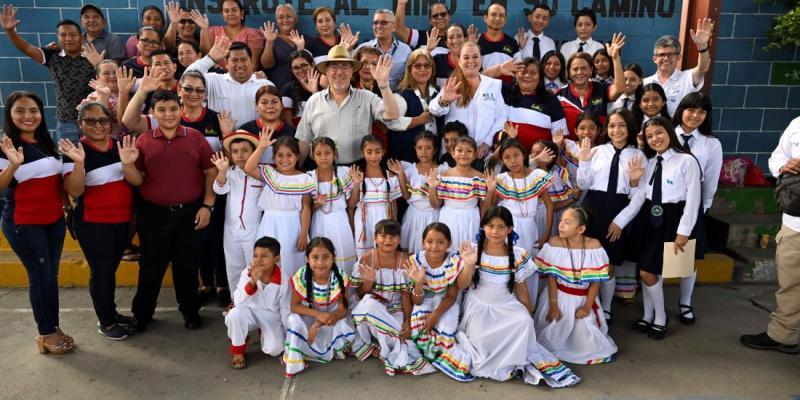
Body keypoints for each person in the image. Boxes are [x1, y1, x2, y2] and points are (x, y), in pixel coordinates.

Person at [437, 206, 581, 387]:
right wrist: (469, 264)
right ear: (483, 227)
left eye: (501, 227)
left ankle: (513, 361)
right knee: (482, 339)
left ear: (510, 229)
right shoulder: (473, 251)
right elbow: (462, 285)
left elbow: (521, 287)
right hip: (479, 305)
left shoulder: (517, 253)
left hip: (506, 303)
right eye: (490, 226)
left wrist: (528, 311)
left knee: (523, 322)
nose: (495, 231)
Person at [118, 90, 216, 332]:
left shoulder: (195, 137)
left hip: (190, 213)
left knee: (187, 266)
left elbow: (210, 172)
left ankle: (190, 311)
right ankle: (142, 314)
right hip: (153, 215)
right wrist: (128, 164)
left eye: (173, 109)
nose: (168, 114)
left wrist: (207, 206)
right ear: (152, 113)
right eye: (161, 110)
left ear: (180, 109)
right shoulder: (144, 141)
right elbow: (137, 180)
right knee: (151, 266)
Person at [613, 117, 701, 340]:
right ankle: (648, 314)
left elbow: (693, 199)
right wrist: (620, 221)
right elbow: (640, 197)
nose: (655, 139)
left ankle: (660, 317)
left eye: (659, 133)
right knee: (647, 270)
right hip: (649, 219)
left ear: (669, 131)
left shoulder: (686, 161)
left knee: (649, 271)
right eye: (650, 136)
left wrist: (684, 231)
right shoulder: (651, 163)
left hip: (672, 220)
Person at [0, 92, 74, 354]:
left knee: (50, 276)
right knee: (40, 276)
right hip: (24, 223)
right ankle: (45, 332)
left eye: (33, 110)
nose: (28, 116)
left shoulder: (45, 142)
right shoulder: (6, 146)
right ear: (10, 114)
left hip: (53, 220)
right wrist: (12, 165)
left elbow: (56, 182)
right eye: (20, 111)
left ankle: (53, 326)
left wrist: (67, 208)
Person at [61, 102, 135, 340]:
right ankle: (106, 322)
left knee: (110, 270)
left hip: (121, 221)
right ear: (80, 124)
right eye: (90, 121)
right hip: (93, 224)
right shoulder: (74, 151)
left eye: (103, 120)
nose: (98, 125)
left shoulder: (120, 146)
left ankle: (111, 313)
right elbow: (75, 190)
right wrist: (79, 163)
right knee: (101, 272)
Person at [576, 108, 644, 322]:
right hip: (592, 209)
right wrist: (584, 161)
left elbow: (637, 197)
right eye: (612, 125)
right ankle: (584, 303)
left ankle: (606, 308)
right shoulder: (597, 151)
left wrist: (620, 221)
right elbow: (583, 184)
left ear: (630, 128)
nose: (616, 130)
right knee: (586, 258)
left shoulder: (638, 155)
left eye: (622, 125)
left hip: (618, 210)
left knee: (609, 263)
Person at [740, 116, 800, 355]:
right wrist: (783, 168)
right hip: (794, 224)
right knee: (790, 284)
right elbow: (777, 157)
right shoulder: (797, 124)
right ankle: (782, 336)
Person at [350, 219, 435, 375]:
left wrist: (407, 321)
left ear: (399, 239)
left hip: (396, 308)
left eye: (393, 236)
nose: (388, 240)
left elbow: (406, 296)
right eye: (383, 236)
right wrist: (368, 282)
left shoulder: (406, 260)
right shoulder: (367, 258)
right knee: (368, 306)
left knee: (400, 325)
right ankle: (400, 339)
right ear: (375, 238)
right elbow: (359, 295)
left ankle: (391, 340)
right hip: (372, 307)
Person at [534, 206, 618, 364]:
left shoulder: (594, 246)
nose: (561, 225)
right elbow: (552, 278)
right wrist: (554, 306)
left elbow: (595, 281)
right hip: (558, 297)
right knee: (552, 338)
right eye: (561, 221)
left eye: (567, 222)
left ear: (581, 229)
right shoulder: (555, 243)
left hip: (583, 299)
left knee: (588, 344)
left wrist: (587, 307)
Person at [1, 9, 99, 142]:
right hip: (66, 123)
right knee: (68, 156)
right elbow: (27, 48)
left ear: (81, 38)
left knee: (94, 155)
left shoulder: (93, 56)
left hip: (93, 120)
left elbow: (107, 80)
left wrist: (98, 64)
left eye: (72, 35)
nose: (68, 39)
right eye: (63, 35)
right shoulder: (52, 56)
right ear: (58, 37)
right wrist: (10, 31)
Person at [295, 44, 400, 165]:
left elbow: (392, 115)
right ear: (326, 72)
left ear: (351, 71)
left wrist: (383, 84)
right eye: (334, 66)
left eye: (344, 66)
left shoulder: (367, 97)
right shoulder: (314, 101)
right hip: (324, 169)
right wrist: (299, 168)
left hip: (357, 169)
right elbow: (304, 141)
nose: (339, 72)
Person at [672, 92, 722, 325]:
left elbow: (710, 180)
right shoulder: (666, 134)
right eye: (691, 110)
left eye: (701, 112)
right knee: (658, 253)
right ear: (681, 110)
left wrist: (702, 209)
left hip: (693, 205)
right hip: (664, 203)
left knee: (687, 256)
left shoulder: (711, 143)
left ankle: (685, 302)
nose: (695, 115)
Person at [405, 224, 476, 378]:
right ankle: (434, 354)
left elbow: (451, 296)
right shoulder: (416, 261)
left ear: (449, 243)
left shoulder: (453, 261)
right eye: (429, 241)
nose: (434, 246)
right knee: (419, 323)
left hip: (447, 301)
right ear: (423, 242)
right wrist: (418, 283)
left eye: (440, 242)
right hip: (424, 298)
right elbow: (417, 302)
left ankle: (444, 357)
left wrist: (435, 315)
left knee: (446, 326)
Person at [243, 133, 313, 280]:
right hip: (269, 223)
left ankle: (290, 293)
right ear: (274, 158)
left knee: (290, 260)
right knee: (267, 259)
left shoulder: (305, 178)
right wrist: (262, 147)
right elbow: (249, 167)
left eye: (289, 155)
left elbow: (306, 208)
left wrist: (303, 234)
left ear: (297, 157)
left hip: (293, 225)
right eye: (280, 155)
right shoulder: (270, 174)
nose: (284, 159)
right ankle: (267, 292)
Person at [493, 138, 554, 304]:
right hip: (508, 228)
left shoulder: (536, 176)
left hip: (529, 227)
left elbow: (549, 205)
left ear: (524, 155)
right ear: (502, 161)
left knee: (528, 264)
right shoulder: (502, 179)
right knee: (509, 264)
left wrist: (546, 233)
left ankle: (528, 304)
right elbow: (492, 207)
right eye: (507, 157)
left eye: (516, 155)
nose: (512, 160)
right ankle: (507, 303)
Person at [283, 237, 355, 377]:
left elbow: (342, 310)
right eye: (315, 257)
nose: (320, 263)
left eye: (326, 257)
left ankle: (318, 349)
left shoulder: (339, 276)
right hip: (312, 316)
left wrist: (319, 323)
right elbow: (294, 306)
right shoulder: (302, 275)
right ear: (308, 259)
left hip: (333, 318)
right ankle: (294, 361)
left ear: (333, 258)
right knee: (293, 319)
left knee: (342, 327)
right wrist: (317, 316)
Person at [429, 42, 506, 160]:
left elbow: (501, 117)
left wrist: (487, 143)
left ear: (481, 59)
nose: (471, 61)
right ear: (459, 61)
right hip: (456, 155)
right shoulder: (452, 84)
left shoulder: (493, 85)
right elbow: (433, 109)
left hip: (483, 155)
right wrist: (444, 100)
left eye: (475, 57)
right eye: (466, 57)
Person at [225, 236, 290, 369]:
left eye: (264, 256)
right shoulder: (247, 273)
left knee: (275, 350)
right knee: (234, 314)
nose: (258, 260)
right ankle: (238, 351)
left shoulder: (284, 280)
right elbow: (238, 302)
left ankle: (264, 333)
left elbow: (285, 311)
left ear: (277, 259)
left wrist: (288, 340)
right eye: (255, 255)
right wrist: (252, 282)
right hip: (249, 312)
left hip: (270, 316)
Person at [212, 130, 263, 296]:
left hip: (254, 229)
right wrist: (221, 171)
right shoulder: (229, 172)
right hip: (231, 229)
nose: (240, 155)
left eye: (244, 150)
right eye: (235, 151)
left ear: (254, 151)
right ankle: (236, 300)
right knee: (233, 266)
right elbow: (219, 189)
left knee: (254, 266)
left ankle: (255, 302)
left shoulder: (262, 172)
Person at [186, 35, 274, 130]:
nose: (239, 64)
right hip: (220, 137)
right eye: (234, 60)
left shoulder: (265, 85)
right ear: (226, 63)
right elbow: (187, 79)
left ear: (251, 61)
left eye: (244, 59)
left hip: (258, 137)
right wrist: (211, 58)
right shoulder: (214, 81)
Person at [426, 136, 490, 251]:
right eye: (459, 150)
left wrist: (490, 190)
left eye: (469, 151)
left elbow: (484, 208)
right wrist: (432, 187)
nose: (463, 154)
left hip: (470, 218)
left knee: (468, 251)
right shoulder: (444, 176)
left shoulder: (479, 177)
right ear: (453, 153)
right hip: (448, 217)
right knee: (448, 250)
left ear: (475, 154)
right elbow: (436, 205)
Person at [308, 137, 360, 274]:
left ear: (334, 154)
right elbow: (307, 210)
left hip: (340, 222)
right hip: (319, 222)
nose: (323, 157)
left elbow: (351, 204)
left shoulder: (343, 173)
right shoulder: (309, 177)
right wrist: (317, 204)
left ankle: (343, 285)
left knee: (342, 254)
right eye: (318, 154)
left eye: (327, 153)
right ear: (312, 156)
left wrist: (356, 184)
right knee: (321, 256)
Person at [558, 34, 626, 137]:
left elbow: (620, 89)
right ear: (569, 72)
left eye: (584, 68)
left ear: (591, 70)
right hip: (570, 146)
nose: (579, 72)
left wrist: (615, 58)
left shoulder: (601, 88)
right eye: (575, 69)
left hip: (598, 145)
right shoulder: (560, 94)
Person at [643, 18, 714, 116]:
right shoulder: (645, 83)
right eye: (662, 55)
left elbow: (703, 68)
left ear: (678, 57)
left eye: (671, 54)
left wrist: (702, 46)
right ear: (654, 59)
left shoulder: (687, 78)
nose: (666, 58)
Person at [352, 136, 402, 257]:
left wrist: (394, 225)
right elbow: (351, 204)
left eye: (377, 151)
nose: (373, 156)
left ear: (383, 152)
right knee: (364, 254)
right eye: (369, 152)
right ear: (362, 153)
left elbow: (394, 203)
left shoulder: (390, 175)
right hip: (364, 220)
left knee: (384, 251)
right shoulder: (358, 174)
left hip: (384, 217)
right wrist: (356, 183)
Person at [387, 49, 439, 162]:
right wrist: (419, 120)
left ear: (433, 69)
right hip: (406, 158)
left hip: (434, 159)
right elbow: (391, 123)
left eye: (427, 65)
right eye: (417, 66)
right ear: (410, 69)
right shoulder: (401, 94)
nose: (422, 70)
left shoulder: (438, 93)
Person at [504, 57, 567, 150]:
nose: (527, 75)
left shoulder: (551, 100)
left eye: (533, 73)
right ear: (516, 75)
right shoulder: (504, 92)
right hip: (510, 155)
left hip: (543, 156)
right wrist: (499, 69)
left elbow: (561, 136)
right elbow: (481, 79)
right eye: (523, 72)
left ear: (540, 77)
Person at [397, 132, 440, 254]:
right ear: (415, 149)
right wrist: (400, 174)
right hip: (413, 215)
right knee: (411, 251)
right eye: (419, 148)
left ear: (435, 149)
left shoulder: (441, 171)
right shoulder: (410, 170)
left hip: (432, 216)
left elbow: (436, 205)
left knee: (430, 250)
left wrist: (432, 186)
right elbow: (406, 196)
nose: (423, 152)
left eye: (428, 148)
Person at [356, 10, 412, 90]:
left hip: (397, 95)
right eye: (375, 23)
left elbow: (411, 77)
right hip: (368, 94)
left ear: (394, 27)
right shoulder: (363, 48)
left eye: (383, 23)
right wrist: (348, 49)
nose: (378, 26)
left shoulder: (406, 50)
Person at [239, 85, 296, 163]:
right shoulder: (245, 131)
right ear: (256, 106)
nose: (270, 106)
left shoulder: (292, 132)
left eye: (274, 102)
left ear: (282, 105)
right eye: (264, 102)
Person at [201, 0, 264, 70]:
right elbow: (205, 56)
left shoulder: (252, 34)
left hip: (242, 75)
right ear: (222, 14)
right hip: (215, 74)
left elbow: (254, 65)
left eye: (234, 10)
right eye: (226, 11)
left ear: (242, 13)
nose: (230, 14)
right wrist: (204, 29)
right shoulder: (213, 32)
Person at [259, 3, 306, 89]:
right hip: (278, 87)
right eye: (281, 17)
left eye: (289, 16)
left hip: (303, 88)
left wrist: (300, 48)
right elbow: (267, 65)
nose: (285, 20)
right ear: (277, 21)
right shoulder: (272, 39)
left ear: (296, 19)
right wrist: (269, 42)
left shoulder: (304, 39)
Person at [79, 59, 128, 139]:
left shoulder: (129, 92)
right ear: (97, 78)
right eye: (106, 73)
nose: (112, 76)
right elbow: (97, 122)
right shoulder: (93, 97)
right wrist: (104, 95)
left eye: (115, 72)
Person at [281, 50, 321, 126]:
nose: (300, 70)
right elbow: (287, 121)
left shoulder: (323, 85)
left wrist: (314, 92)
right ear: (292, 71)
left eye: (304, 65)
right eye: (295, 68)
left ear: (313, 65)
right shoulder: (287, 89)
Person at [476, 3, 519, 74]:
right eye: (493, 14)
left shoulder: (513, 43)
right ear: (485, 18)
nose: (497, 18)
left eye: (501, 15)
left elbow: (518, 71)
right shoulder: (477, 42)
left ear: (505, 20)